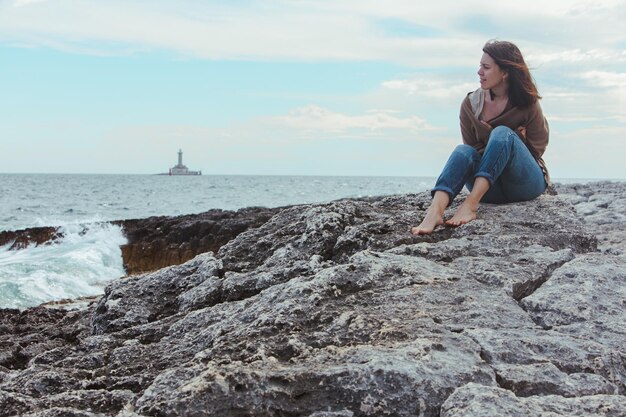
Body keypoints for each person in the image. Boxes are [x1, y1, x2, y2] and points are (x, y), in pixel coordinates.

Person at [411, 39, 549, 235]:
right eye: (480, 66)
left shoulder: (527, 103)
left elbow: (538, 148)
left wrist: (509, 139)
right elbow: (473, 153)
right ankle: (434, 212)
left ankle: (470, 205)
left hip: (524, 184)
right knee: (463, 151)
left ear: (505, 72)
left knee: (502, 133)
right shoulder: (470, 104)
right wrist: (495, 140)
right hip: (490, 190)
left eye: (486, 67)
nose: (479, 72)